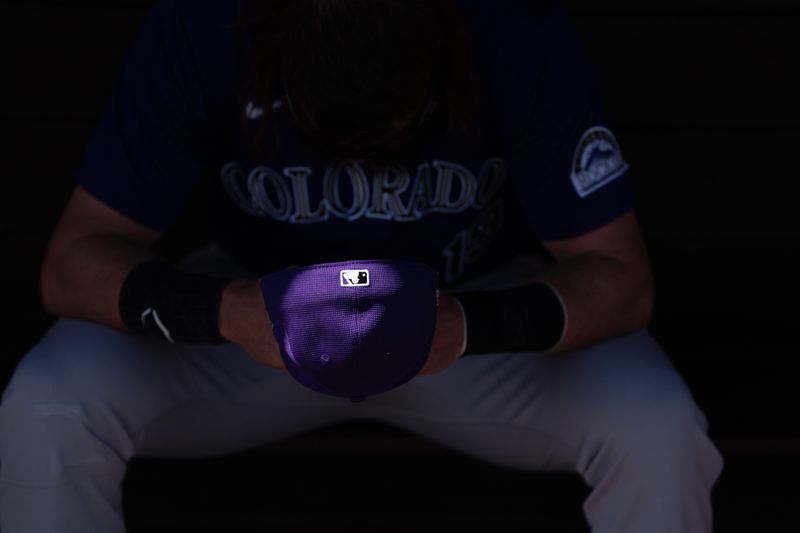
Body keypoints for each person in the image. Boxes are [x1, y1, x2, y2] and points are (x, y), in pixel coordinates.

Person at [0, 0, 723, 531]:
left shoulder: (511, 27)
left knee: (656, 427)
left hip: (466, 321)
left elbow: (620, 275)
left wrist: (466, 326)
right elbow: (71, 261)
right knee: (48, 401)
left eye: (390, 130)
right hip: (256, 320)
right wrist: (228, 311)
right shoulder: (205, 21)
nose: (361, 160)